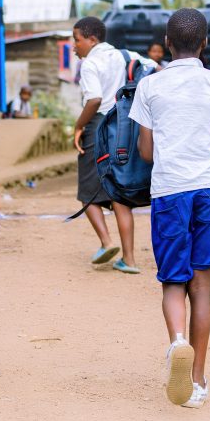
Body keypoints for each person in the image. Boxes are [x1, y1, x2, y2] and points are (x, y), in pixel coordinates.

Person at [129, 8, 210, 409]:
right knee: (201, 284)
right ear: (204, 43)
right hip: (208, 190)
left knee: (173, 281)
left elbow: (146, 152)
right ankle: (197, 379)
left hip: (169, 191)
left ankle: (177, 342)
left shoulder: (150, 86)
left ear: (167, 44)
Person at [72, 17, 141, 274]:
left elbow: (93, 100)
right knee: (119, 191)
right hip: (122, 124)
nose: (74, 45)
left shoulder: (91, 63)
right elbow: (152, 66)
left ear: (91, 39)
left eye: (76, 39)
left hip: (98, 125)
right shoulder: (123, 55)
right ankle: (130, 260)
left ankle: (106, 242)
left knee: (86, 190)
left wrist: (79, 127)